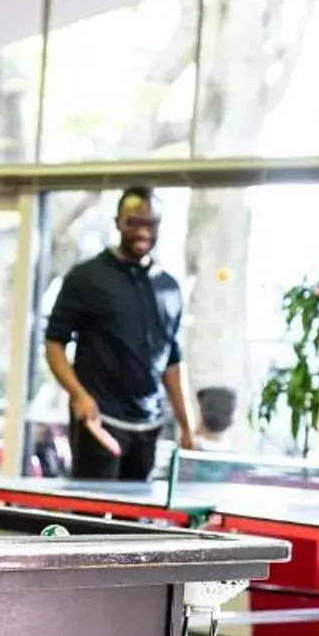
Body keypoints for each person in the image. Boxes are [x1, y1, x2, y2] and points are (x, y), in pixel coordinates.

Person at [42, 188, 200, 482]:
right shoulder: (86, 277)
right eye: (134, 222)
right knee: (91, 519)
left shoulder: (169, 288)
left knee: (134, 523)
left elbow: (172, 363)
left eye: (151, 224)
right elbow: (54, 345)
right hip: (99, 421)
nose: (143, 231)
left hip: (148, 427)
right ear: (118, 223)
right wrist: (79, 395)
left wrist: (187, 427)